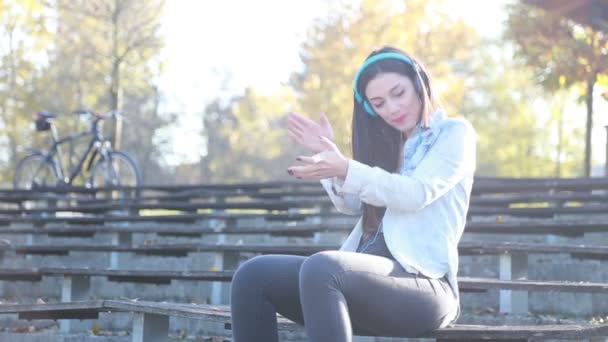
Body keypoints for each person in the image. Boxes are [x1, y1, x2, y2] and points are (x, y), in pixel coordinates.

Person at [230, 45, 477, 342]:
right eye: (379, 103)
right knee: (253, 275)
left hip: (424, 287)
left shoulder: (453, 133)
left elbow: (416, 194)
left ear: (419, 83)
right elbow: (352, 203)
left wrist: (347, 168)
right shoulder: (388, 148)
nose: (392, 109)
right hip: (364, 282)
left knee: (323, 267)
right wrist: (329, 157)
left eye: (398, 93)